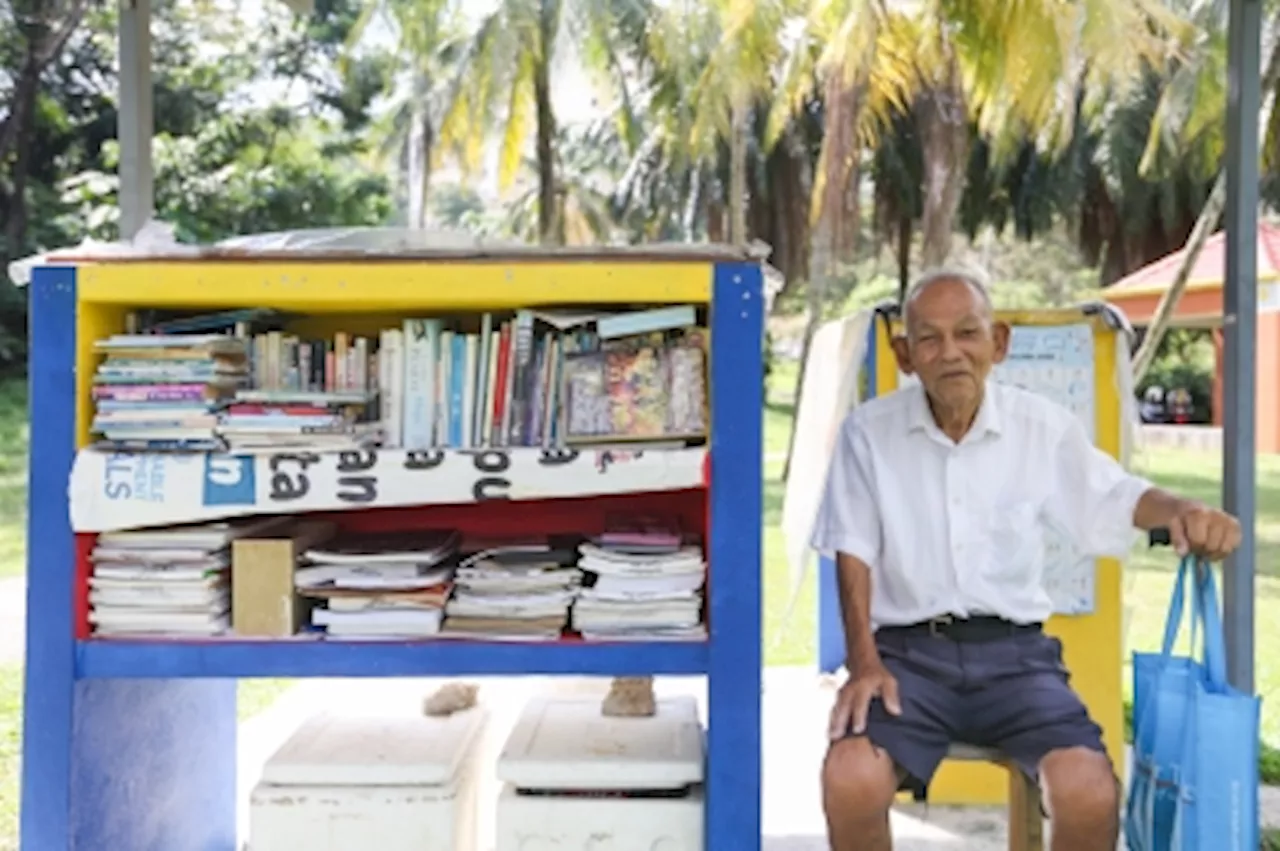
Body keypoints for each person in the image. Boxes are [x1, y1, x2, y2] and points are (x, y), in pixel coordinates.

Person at [811, 268, 1242, 851]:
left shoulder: (1040, 427)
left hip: (1016, 660)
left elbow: (1114, 495)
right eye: (930, 339)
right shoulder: (868, 434)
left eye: (968, 333)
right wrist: (863, 662)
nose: (951, 353)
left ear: (999, 343)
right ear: (905, 355)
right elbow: (852, 550)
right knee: (849, 779)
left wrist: (1182, 508)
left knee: (1089, 791)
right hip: (908, 658)